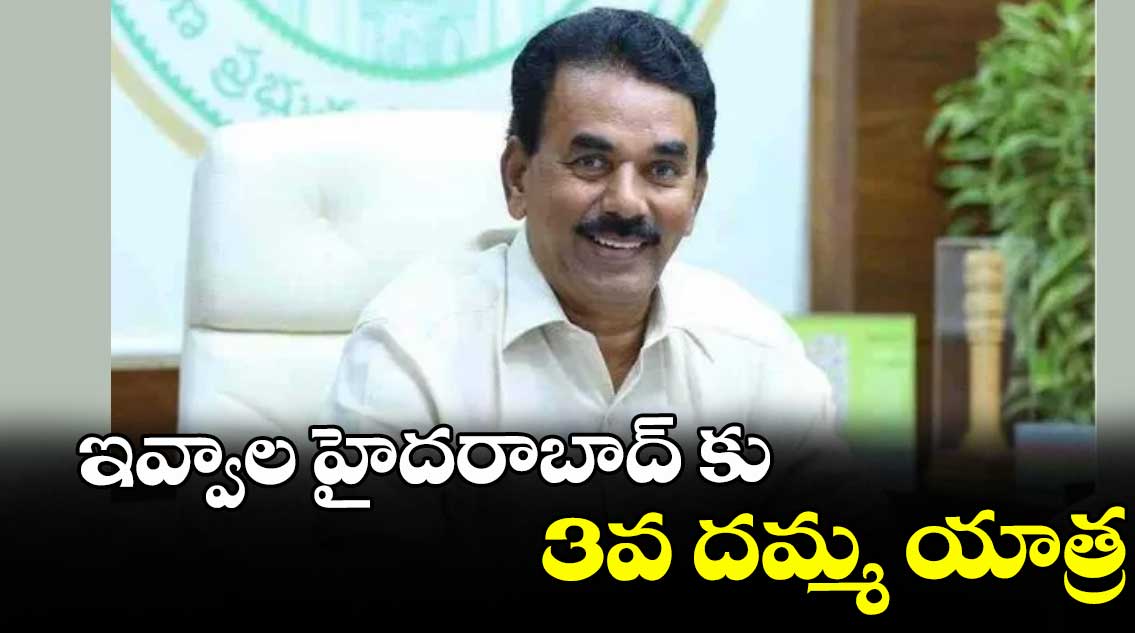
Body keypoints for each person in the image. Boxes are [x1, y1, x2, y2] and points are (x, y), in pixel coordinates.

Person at [327, 7, 840, 459]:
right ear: (518, 177)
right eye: (591, 162)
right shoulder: (414, 351)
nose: (626, 202)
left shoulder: (756, 353)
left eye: (662, 171)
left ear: (695, 198)